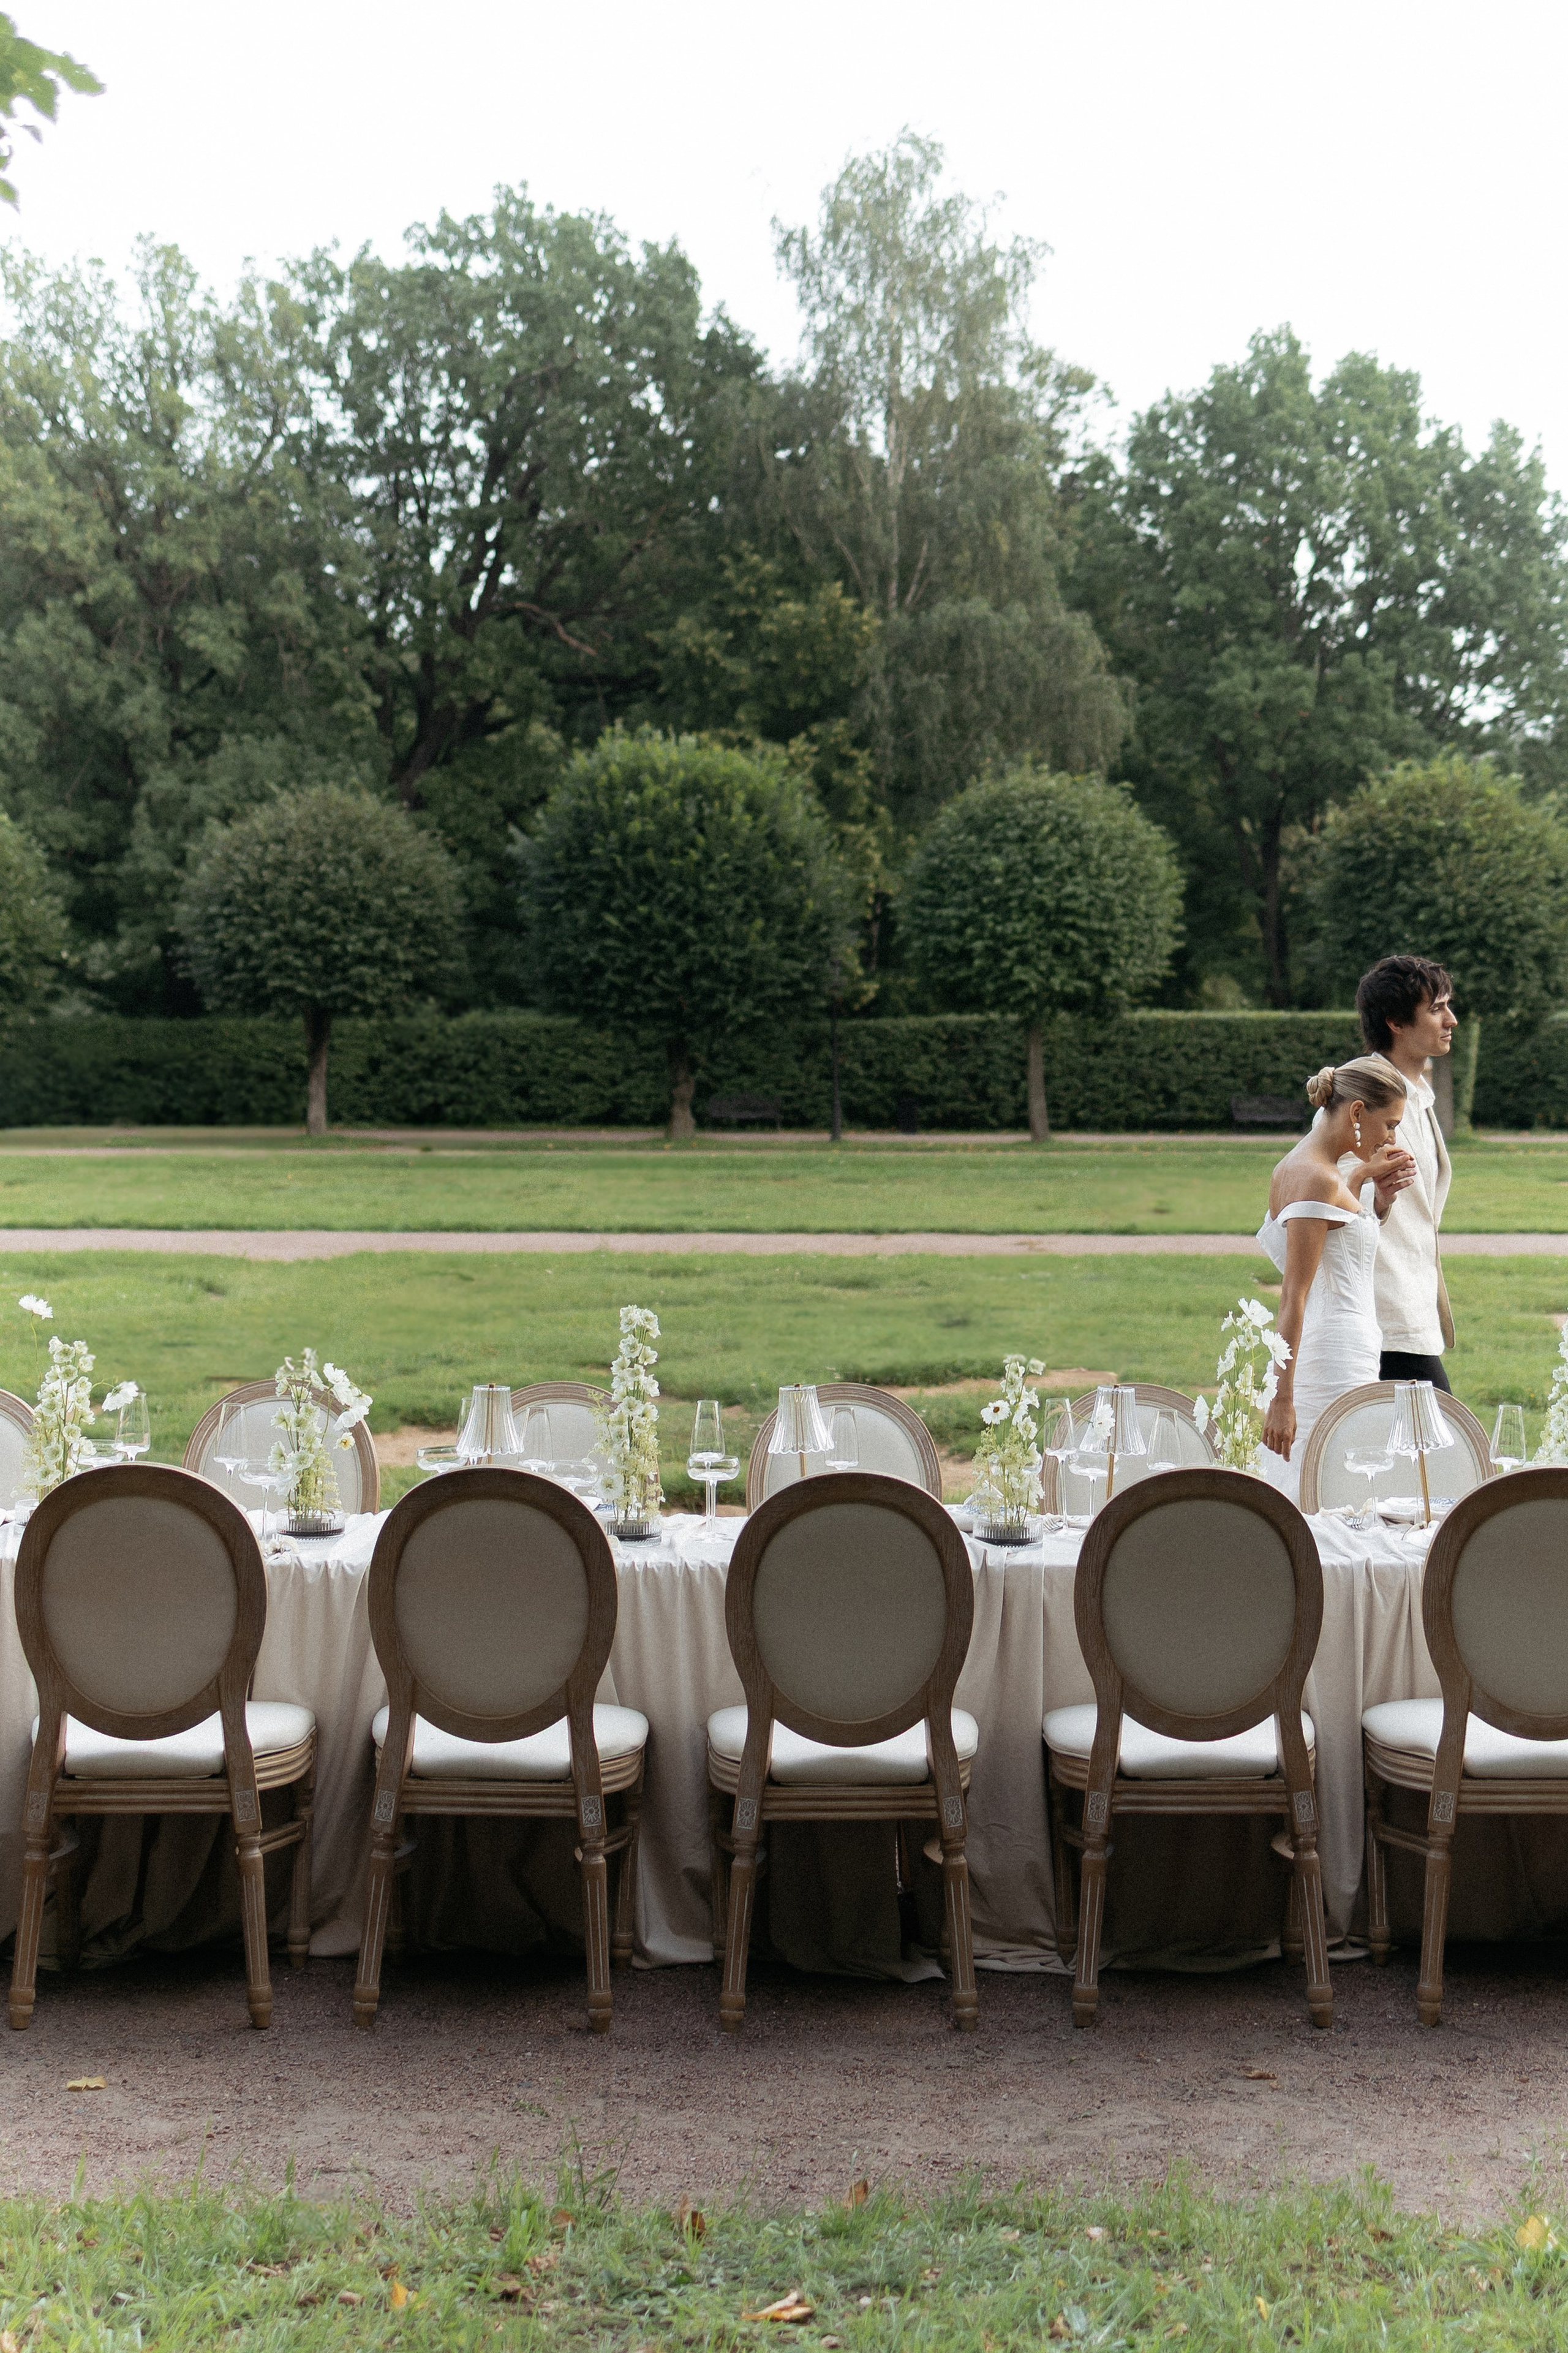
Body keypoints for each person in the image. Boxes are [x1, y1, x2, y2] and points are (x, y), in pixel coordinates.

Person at [1258, 1058, 1415, 1500]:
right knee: (1338, 1492)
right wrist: (1282, 1397)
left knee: (1339, 1487)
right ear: (1357, 1111)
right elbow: (1294, 1292)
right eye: (1390, 1124)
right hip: (1333, 1362)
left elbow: (1331, 1240)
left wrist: (1371, 1191)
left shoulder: (1299, 1167)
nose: (1392, 1138)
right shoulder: (1316, 1178)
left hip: (1343, 1348)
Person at [1349, 955, 1458, 1392]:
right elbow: (1319, 1191)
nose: (1450, 1019)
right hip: (1384, 1320)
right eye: (1436, 1009)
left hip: (1413, 1313)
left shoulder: (1417, 1097)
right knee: (1448, 1446)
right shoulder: (1362, 1094)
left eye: (1448, 1005)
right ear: (1395, 1021)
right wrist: (1375, 1201)